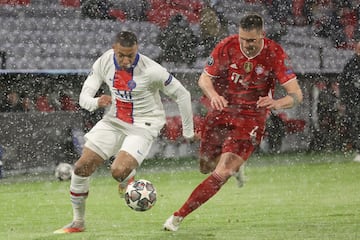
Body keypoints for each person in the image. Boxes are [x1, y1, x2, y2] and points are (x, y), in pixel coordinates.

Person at [163, 13, 303, 232]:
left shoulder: (274, 53)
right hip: (222, 111)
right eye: (243, 39)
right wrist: (213, 95)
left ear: (261, 35)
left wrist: (276, 102)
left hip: (251, 118)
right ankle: (237, 165)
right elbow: (204, 79)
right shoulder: (227, 46)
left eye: (251, 40)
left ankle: (177, 217)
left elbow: (296, 95)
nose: (246, 45)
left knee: (222, 172)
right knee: (206, 168)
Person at [54, 31, 195, 234]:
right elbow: (85, 95)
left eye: (131, 54)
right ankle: (78, 222)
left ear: (137, 49)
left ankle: (128, 176)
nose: (126, 59)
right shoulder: (104, 61)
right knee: (82, 167)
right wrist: (95, 102)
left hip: (144, 124)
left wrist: (188, 132)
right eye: (121, 55)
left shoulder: (152, 70)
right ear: (114, 49)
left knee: (118, 171)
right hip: (113, 120)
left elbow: (182, 94)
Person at [338, 36, 360, 162]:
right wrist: (343, 100)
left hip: (354, 100)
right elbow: (344, 84)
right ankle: (358, 150)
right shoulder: (351, 65)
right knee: (355, 125)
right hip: (354, 101)